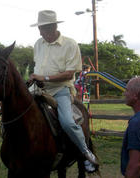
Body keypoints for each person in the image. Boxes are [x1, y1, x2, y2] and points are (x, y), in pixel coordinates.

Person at [29, 10, 98, 172]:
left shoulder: (70, 44)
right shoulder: (38, 44)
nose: (41, 32)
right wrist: (35, 77)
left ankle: (86, 153)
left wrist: (44, 78)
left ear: (54, 26)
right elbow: (38, 66)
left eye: (45, 28)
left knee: (67, 122)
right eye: (40, 28)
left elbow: (69, 74)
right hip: (37, 89)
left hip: (60, 90)